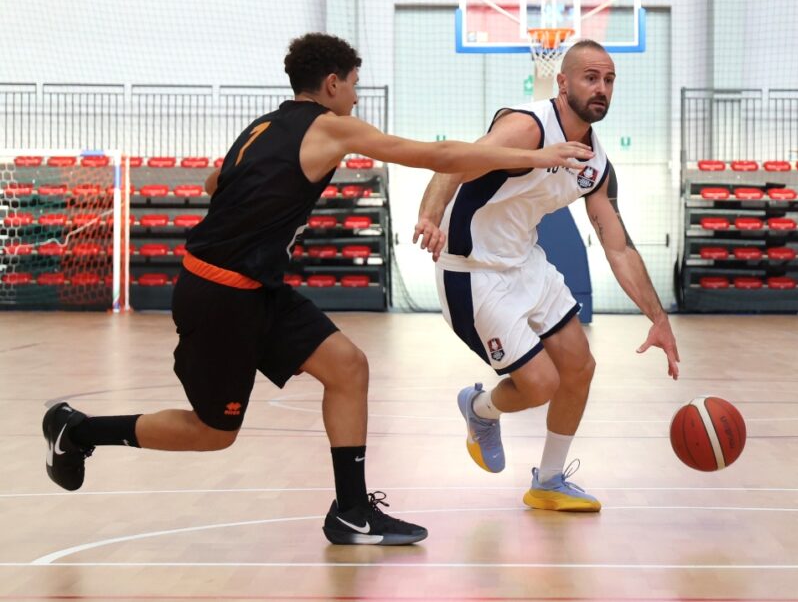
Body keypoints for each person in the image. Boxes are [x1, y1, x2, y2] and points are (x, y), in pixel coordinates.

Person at [42, 32, 593, 546]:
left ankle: (351, 512)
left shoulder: (263, 126)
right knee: (214, 432)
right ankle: (79, 431)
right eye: (353, 84)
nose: (355, 96)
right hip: (220, 295)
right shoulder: (331, 125)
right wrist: (537, 156)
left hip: (255, 288)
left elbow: (216, 181)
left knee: (348, 367)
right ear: (332, 84)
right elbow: (441, 155)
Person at [413, 40, 680, 512]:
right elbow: (454, 160)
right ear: (562, 82)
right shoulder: (528, 126)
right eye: (590, 78)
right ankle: (479, 409)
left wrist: (657, 317)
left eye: (609, 80)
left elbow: (617, 245)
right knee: (539, 385)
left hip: (525, 262)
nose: (601, 89)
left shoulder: (595, 165)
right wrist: (430, 215)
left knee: (580, 367)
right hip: (472, 271)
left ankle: (550, 480)